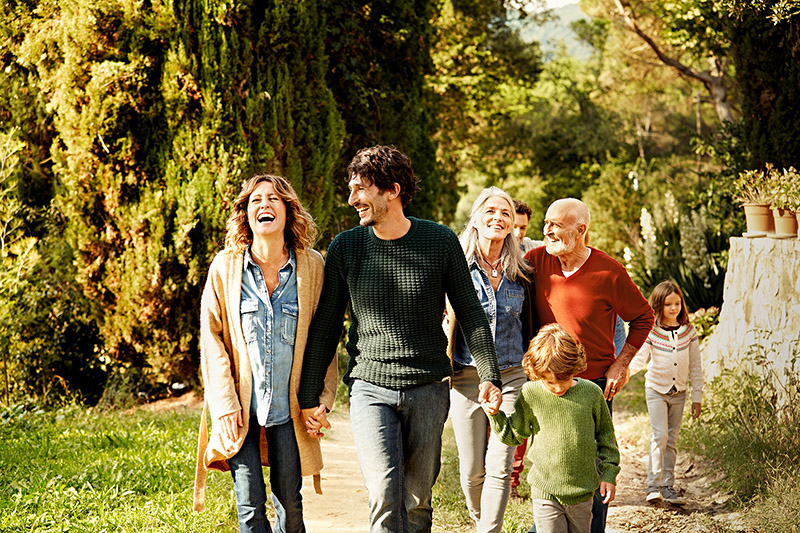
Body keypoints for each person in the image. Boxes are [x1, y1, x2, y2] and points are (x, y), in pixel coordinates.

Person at [298, 145, 502, 533]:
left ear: (391, 190)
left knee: (417, 499)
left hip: (428, 387)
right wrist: (311, 397)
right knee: (384, 494)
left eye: (360, 189)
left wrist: (489, 374)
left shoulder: (439, 241)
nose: (351, 199)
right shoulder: (346, 247)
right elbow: (326, 327)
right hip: (370, 386)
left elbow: (471, 312)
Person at [192, 174, 338, 533]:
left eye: (274, 199)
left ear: (288, 211)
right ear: (246, 213)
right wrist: (225, 404)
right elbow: (212, 341)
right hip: (242, 411)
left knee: (290, 501)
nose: (265, 205)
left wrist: (322, 398)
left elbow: (324, 339)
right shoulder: (226, 268)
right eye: (256, 200)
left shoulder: (312, 266)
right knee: (249, 505)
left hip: (288, 411)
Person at [523, 197, 654, 533]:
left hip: (593, 385)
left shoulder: (609, 271)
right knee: (551, 465)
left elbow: (643, 317)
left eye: (557, 224)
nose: (547, 230)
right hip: (545, 385)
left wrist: (621, 364)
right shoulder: (536, 261)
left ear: (580, 230)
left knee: (591, 469)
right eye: (546, 224)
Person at [446, 187, 539, 532]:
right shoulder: (455, 267)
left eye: (505, 213)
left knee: (501, 463)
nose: (498, 218)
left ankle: (489, 530)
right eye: (490, 211)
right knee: (473, 470)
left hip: (513, 376)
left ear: (513, 223)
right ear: (476, 219)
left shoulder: (522, 273)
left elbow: (531, 322)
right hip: (467, 377)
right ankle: (479, 520)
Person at [483, 323, 620, 533]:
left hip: (583, 493)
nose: (557, 388)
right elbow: (513, 436)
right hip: (545, 491)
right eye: (549, 382)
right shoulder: (530, 393)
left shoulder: (591, 393)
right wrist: (495, 414)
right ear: (537, 374)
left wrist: (609, 475)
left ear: (575, 367)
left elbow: (606, 438)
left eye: (563, 380)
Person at [628, 280, 703, 505]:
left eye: (677, 304)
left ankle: (668, 487)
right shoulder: (652, 332)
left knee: (672, 440)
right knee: (659, 435)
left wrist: (697, 397)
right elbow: (640, 359)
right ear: (658, 306)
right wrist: (623, 376)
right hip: (656, 390)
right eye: (668, 304)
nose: (673, 309)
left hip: (679, 392)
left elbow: (696, 367)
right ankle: (653, 485)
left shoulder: (689, 331)